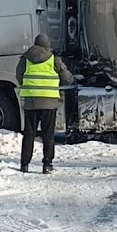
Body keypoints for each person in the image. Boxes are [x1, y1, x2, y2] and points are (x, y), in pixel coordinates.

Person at [15, 33, 74, 174]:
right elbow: (66, 78)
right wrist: (69, 80)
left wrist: (29, 86)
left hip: (31, 101)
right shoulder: (54, 59)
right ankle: (47, 164)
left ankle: (24, 164)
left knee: (29, 133)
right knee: (48, 134)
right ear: (48, 45)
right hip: (49, 101)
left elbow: (19, 75)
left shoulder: (26, 58)